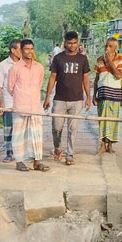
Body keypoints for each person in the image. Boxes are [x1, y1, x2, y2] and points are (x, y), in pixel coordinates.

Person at [44, 31, 92, 165]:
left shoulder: (82, 59)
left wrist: (88, 97)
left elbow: (86, 78)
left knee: (73, 128)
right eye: (69, 43)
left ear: (78, 42)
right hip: (59, 99)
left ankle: (70, 154)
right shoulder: (58, 58)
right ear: (65, 42)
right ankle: (57, 147)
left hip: (77, 100)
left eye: (75, 43)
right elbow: (52, 77)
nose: (72, 45)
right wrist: (47, 97)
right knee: (56, 127)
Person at [6, 39, 49, 172]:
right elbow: (10, 87)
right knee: (19, 135)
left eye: (31, 49)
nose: (29, 52)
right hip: (20, 107)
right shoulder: (15, 68)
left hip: (35, 107)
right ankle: (19, 162)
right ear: (21, 50)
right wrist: (21, 96)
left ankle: (37, 162)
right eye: (26, 49)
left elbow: (39, 84)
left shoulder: (39, 67)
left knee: (37, 135)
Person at [94, 37, 122, 154]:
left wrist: (110, 62)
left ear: (115, 48)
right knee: (102, 120)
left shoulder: (121, 60)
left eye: (110, 46)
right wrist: (94, 95)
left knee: (113, 120)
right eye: (106, 46)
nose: (107, 48)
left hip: (115, 94)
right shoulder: (99, 60)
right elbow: (96, 79)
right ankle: (102, 145)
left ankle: (110, 145)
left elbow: (118, 75)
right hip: (103, 93)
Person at [0, 39, 22, 162]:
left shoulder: (25, 64)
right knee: (9, 128)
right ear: (13, 50)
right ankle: (9, 153)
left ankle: (22, 153)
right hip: (8, 102)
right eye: (20, 49)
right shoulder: (3, 65)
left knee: (22, 129)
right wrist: (0, 104)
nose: (22, 52)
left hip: (22, 102)